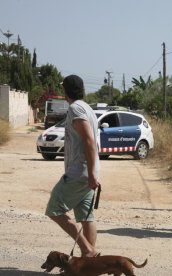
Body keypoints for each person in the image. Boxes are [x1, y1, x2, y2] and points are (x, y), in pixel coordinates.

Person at [45, 74, 101, 256]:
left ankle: (87, 250)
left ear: (65, 90)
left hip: (79, 173)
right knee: (86, 217)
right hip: (87, 173)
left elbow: (89, 141)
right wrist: (93, 174)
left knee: (54, 210)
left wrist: (91, 174)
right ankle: (88, 265)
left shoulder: (75, 109)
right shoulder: (87, 108)